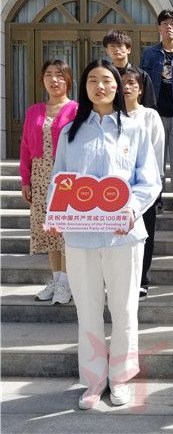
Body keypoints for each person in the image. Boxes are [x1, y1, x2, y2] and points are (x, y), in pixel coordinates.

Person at [48, 59, 161, 409]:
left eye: (108, 80)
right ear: (84, 87)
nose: (101, 86)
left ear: (119, 86)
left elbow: (150, 180)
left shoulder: (135, 129)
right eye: (93, 80)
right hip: (80, 238)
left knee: (124, 309)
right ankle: (94, 379)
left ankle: (121, 377)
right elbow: (59, 180)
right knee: (88, 310)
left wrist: (131, 208)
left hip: (123, 235)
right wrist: (55, 213)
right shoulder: (70, 132)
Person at [20, 59, 77, 305]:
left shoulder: (76, 110)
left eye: (60, 75)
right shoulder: (33, 111)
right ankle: (56, 279)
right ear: (42, 79)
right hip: (40, 177)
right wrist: (25, 180)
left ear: (68, 80)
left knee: (65, 230)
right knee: (49, 230)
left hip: (66, 178)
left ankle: (67, 282)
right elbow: (25, 147)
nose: (54, 80)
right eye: (49, 75)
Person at [141, 9, 173, 215]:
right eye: (165, 24)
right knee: (156, 159)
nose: (169, 28)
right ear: (159, 28)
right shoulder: (149, 54)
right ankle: (157, 200)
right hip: (155, 113)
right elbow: (142, 83)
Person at [122, 67, 165, 301]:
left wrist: (156, 185)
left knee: (145, 235)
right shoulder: (112, 115)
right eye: (122, 83)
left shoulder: (150, 116)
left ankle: (142, 280)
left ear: (140, 89)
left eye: (132, 83)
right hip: (118, 188)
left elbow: (158, 150)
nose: (126, 87)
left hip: (145, 187)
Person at [102, 30, 156, 109]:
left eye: (120, 45)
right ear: (107, 51)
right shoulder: (104, 74)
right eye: (112, 46)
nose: (116, 49)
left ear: (128, 50)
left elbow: (149, 103)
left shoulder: (141, 75)